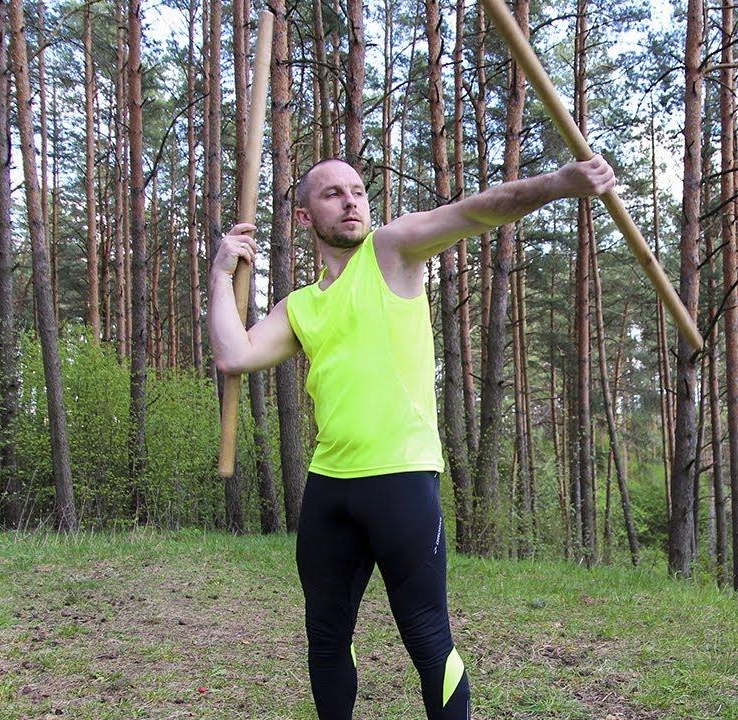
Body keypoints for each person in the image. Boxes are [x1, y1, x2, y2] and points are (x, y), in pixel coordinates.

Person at [208, 155, 617, 720]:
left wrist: (558, 183)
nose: (351, 201)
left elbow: (476, 211)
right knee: (325, 636)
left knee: (427, 638)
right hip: (329, 486)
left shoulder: (391, 251)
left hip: (400, 480)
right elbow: (233, 355)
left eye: (357, 190)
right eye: (332, 194)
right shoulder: (300, 306)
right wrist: (220, 274)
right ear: (305, 217)